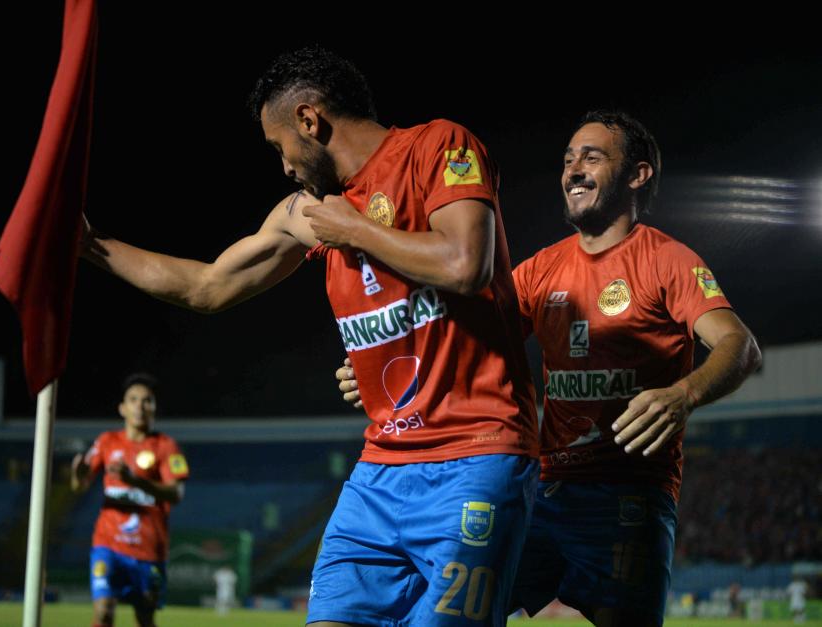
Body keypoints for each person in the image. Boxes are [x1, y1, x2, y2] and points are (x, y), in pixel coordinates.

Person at [82, 46, 539, 626]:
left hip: (475, 456)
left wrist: (355, 227)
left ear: (309, 120)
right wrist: (89, 246)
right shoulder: (307, 213)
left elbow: (465, 263)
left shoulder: (438, 147)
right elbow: (207, 286)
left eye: (280, 147)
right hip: (381, 467)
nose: (284, 167)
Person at [338, 110, 761, 627]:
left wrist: (685, 394)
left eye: (592, 157)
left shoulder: (667, 261)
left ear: (638, 174)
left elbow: (739, 345)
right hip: (543, 492)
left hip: (629, 498)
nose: (573, 169)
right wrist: (385, 364)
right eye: (567, 159)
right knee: (452, 615)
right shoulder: (541, 270)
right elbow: (467, 338)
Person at [71, 373, 189, 627]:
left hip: (149, 550)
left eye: (147, 401)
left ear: (154, 408)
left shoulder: (167, 447)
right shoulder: (106, 442)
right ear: (122, 408)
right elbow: (80, 485)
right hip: (109, 545)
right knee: (103, 612)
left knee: (145, 617)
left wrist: (135, 481)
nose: (140, 406)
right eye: (133, 400)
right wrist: (78, 474)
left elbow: (176, 493)